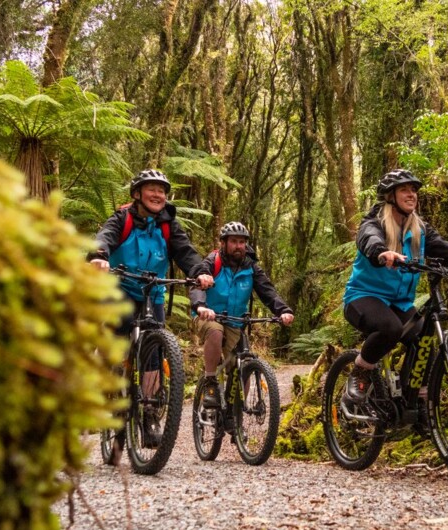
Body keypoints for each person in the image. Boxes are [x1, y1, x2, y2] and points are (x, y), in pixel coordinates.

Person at [342, 169, 448, 410]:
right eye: (405, 189)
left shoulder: (419, 229)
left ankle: (418, 403)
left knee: (425, 341)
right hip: (363, 297)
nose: (411, 194)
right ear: (390, 195)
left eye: (414, 190)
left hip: (399, 303)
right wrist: (382, 252)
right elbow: (368, 239)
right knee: (390, 327)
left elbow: (444, 249)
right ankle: (360, 373)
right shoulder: (375, 222)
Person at [89, 169, 214, 458]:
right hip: (120, 289)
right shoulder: (123, 219)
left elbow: (186, 253)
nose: (158, 195)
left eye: (162, 190)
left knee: (154, 353)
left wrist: (200, 272)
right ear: (137, 194)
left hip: (153, 293)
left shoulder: (168, 225)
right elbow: (104, 238)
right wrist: (98, 256)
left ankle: (148, 414)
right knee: (114, 342)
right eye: (151, 189)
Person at [189, 221, 294, 410]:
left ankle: (235, 413)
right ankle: (210, 382)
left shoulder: (251, 268)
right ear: (224, 243)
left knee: (242, 366)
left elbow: (268, 292)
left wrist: (283, 310)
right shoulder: (213, 261)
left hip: (235, 322)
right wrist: (200, 306)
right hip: (208, 316)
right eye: (234, 241)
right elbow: (198, 280)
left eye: (242, 242)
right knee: (215, 332)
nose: (238, 246)